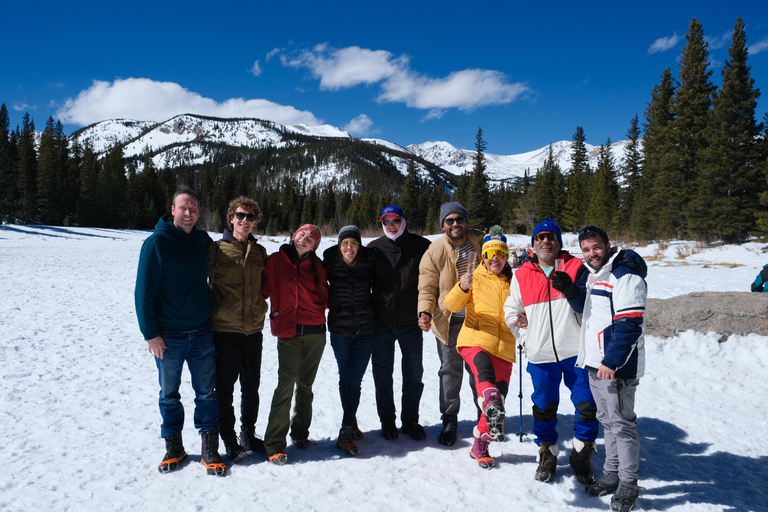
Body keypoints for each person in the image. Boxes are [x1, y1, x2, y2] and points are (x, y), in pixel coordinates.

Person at [553, 226, 648, 512]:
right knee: (607, 422)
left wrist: (612, 362)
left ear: (608, 245)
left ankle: (628, 484)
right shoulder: (596, 274)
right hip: (596, 364)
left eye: (596, 247)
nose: (591, 253)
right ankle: (612, 474)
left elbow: (629, 324)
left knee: (622, 426)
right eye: (586, 249)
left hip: (615, 367)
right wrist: (571, 290)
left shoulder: (624, 275)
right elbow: (589, 309)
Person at [134, 186, 226, 477]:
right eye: (183, 208)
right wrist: (151, 334)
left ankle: (209, 446)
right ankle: (174, 446)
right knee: (169, 394)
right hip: (168, 337)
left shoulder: (201, 239)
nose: (188, 214)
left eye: (193, 209)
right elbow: (143, 293)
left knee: (207, 394)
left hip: (201, 333)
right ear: (172, 210)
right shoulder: (156, 244)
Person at [503, 217, 598, 484]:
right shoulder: (521, 274)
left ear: (559, 241)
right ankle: (547, 452)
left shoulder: (577, 266)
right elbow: (511, 309)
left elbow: (587, 306)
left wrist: (571, 291)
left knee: (588, 405)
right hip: (540, 354)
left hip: (576, 353)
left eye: (551, 236)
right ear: (533, 244)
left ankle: (582, 452)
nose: (546, 241)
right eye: (540, 237)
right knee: (544, 407)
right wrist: (520, 329)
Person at [444, 230, 517, 469]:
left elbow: (523, 310)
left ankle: (480, 446)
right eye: (489, 254)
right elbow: (451, 305)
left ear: (506, 257)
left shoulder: (514, 282)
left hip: (504, 346)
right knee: (486, 381)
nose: (494, 259)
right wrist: (461, 287)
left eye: (500, 254)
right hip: (475, 340)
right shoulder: (473, 277)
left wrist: (525, 320)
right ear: (483, 257)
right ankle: (491, 402)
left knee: (499, 400)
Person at [418, 202, 484, 446]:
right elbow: (426, 286)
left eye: (460, 219)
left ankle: (484, 417)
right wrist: (424, 311)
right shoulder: (434, 251)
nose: (455, 224)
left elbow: (501, 267)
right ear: (442, 224)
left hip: (479, 320)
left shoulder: (482, 242)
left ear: (466, 221)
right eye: (450, 220)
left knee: (480, 371)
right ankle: (449, 420)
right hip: (448, 320)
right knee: (450, 372)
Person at [262, 224, 329, 465]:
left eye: (311, 238)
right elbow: (262, 290)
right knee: (285, 385)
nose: (305, 238)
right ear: (294, 236)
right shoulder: (274, 261)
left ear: (315, 246)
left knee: (306, 386)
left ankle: (300, 433)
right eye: (302, 234)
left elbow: (327, 297)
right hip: (288, 333)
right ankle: (274, 444)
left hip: (316, 331)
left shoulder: (317, 265)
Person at [207, 196, 268, 464]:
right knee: (224, 389)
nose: (245, 221)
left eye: (251, 217)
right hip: (225, 330)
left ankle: (248, 434)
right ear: (231, 217)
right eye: (241, 215)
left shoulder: (260, 252)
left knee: (251, 388)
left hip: (253, 331)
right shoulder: (216, 250)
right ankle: (229, 439)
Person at [368, 205, 432, 441]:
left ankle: (410, 421)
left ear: (403, 221)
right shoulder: (374, 248)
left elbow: (431, 283)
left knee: (413, 373)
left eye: (395, 221)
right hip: (381, 322)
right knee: (382, 373)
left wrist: (427, 312)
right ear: (382, 224)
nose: (391, 226)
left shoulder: (422, 246)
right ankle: (387, 421)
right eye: (387, 222)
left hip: (410, 322)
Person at [323, 225, 377, 456]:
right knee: (345, 378)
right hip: (340, 331)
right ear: (339, 245)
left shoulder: (369, 262)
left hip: (366, 330)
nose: (349, 248)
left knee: (354, 379)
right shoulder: (329, 262)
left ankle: (346, 428)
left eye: (353, 243)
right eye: (345, 243)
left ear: (359, 245)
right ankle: (351, 422)